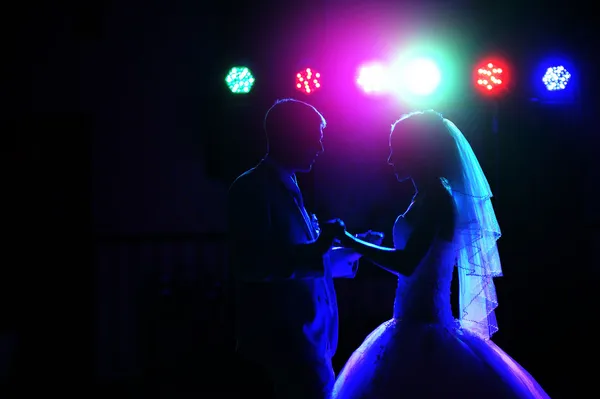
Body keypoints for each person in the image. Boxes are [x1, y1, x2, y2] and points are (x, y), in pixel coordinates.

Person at [331, 110, 550, 398]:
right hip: (411, 324)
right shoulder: (426, 197)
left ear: (417, 152)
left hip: (426, 330)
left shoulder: (436, 200)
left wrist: (349, 240)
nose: (390, 159)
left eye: (396, 149)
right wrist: (362, 245)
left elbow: (407, 263)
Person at [228, 98, 382, 399]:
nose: (320, 148)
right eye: (315, 138)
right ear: (290, 135)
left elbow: (306, 259)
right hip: (281, 345)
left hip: (311, 341)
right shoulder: (251, 188)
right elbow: (252, 265)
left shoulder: (290, 184)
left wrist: (355, 248)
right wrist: (323, 243)